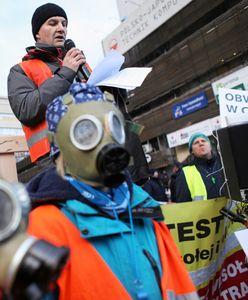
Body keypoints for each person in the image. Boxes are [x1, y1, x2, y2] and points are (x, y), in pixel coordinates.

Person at [27, 83, 198, 300]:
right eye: (86, 132)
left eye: (112, 128)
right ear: (62, 146)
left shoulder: (146, 208)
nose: (105, 142)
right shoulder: (41, 228)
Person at [7, 3, 87, 163]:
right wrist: (65, 74)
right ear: (37, 33)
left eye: (64, 24)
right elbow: (26, 110)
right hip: (55, 158)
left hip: (93, 147)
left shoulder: (79, 64)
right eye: (53, 23)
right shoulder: (21, 70)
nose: (61, 29)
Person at [175, 132, 225, 202]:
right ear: (191, 151)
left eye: (204, 141)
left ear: (210, 146)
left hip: (232, 212)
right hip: (205, 213)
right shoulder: (185, 172)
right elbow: (183, 204)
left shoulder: (224, 163)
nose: (201, 143)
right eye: (196, 143)